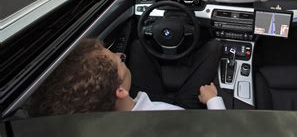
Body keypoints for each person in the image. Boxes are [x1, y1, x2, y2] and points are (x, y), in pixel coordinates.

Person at [29, 39, 225, 116]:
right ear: (120, 90)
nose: (122, 57)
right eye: (120, 62)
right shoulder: (173, 120)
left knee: (139, 46)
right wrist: (213, 100)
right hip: (183, 110)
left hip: (138, 103)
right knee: (214, 47)